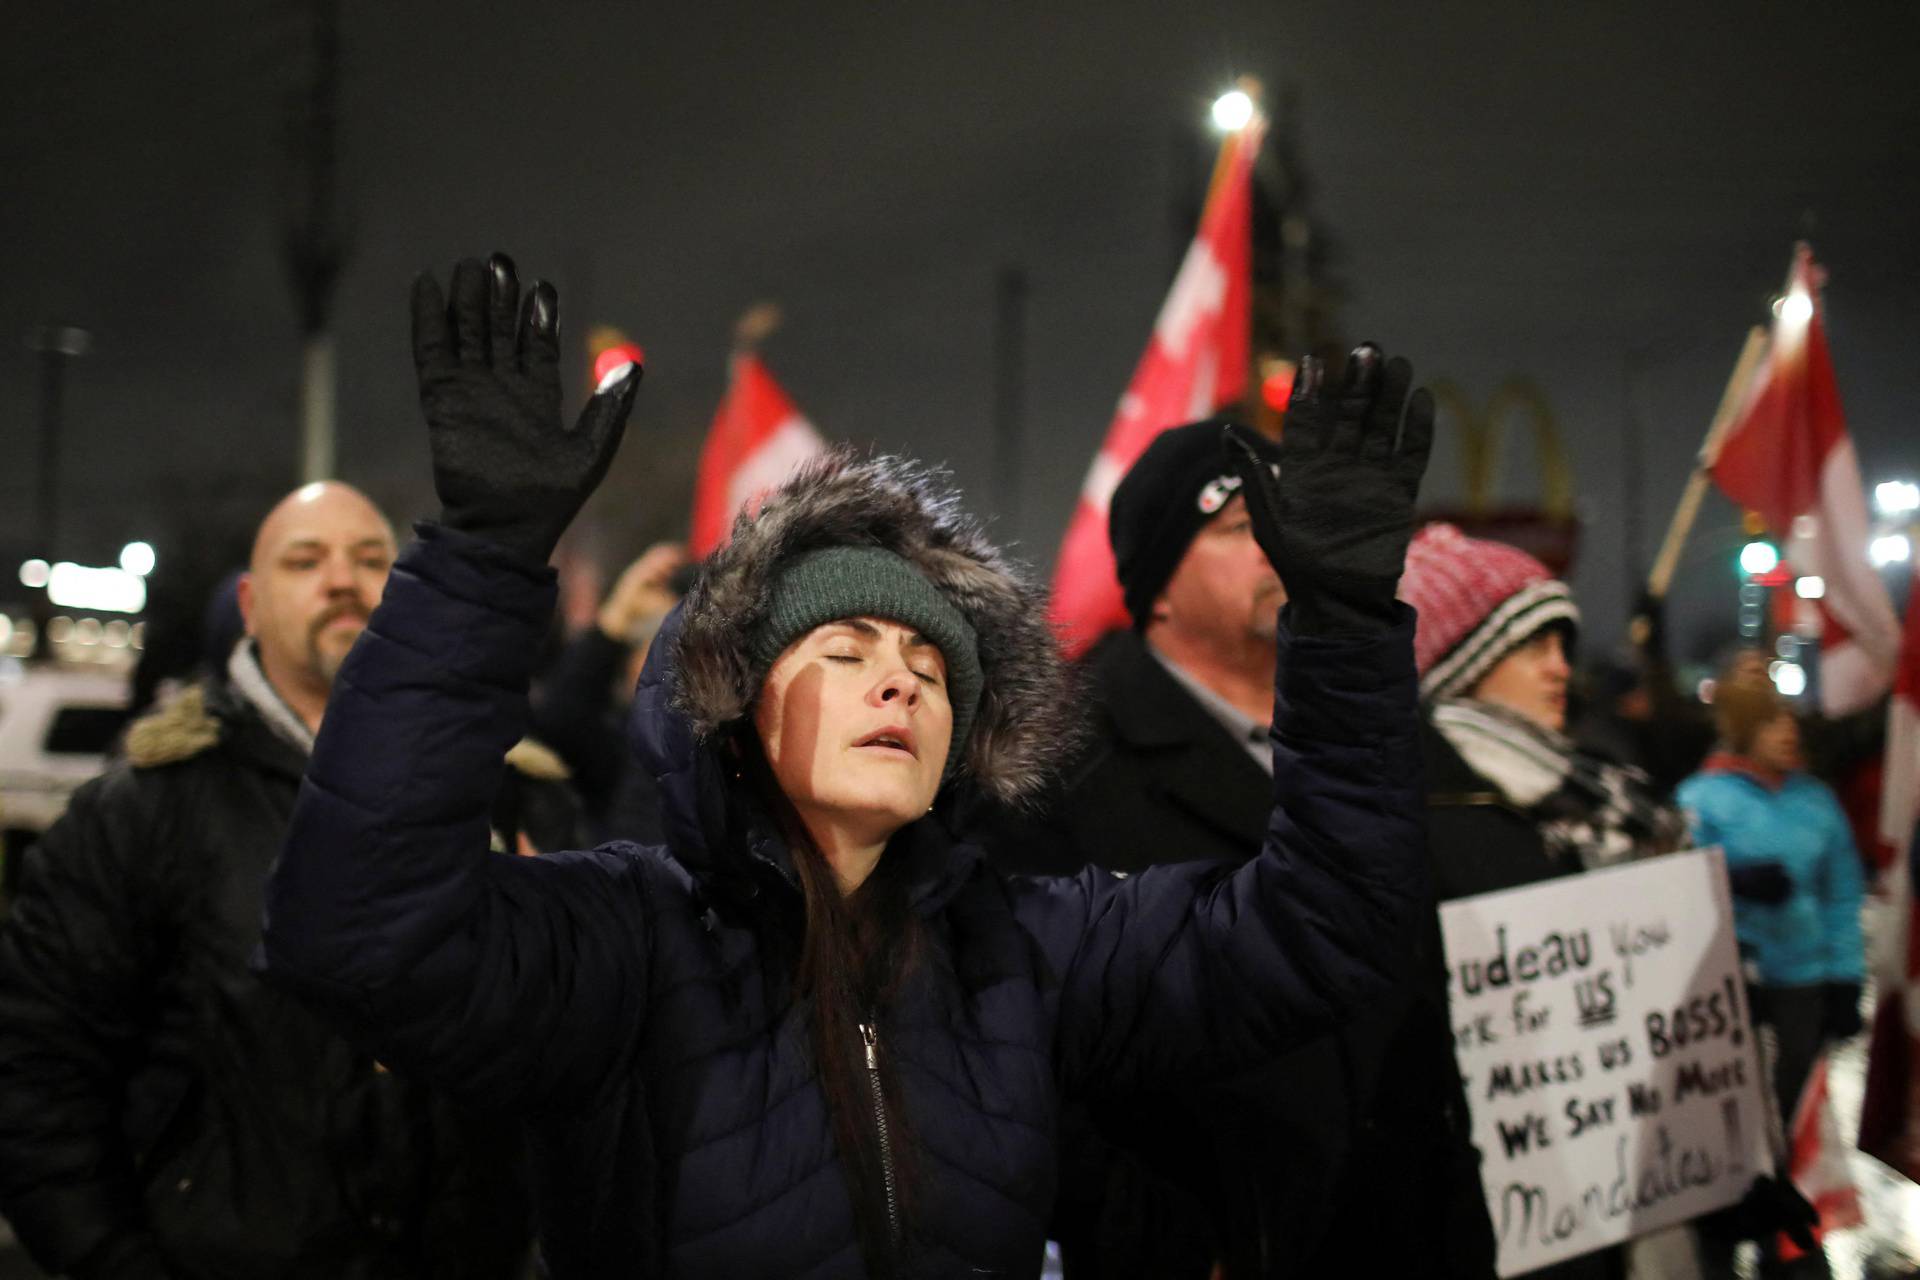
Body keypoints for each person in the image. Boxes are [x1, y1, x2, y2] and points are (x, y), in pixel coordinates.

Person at [257, 253, 1437, 1278]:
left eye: (934, 662)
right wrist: (482, 560)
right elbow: (356, 933)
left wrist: (1337, 623)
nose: (904, 680)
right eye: (847, 644)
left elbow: (1328, 925)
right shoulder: (627, 939)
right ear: (736, 696)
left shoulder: (1024, 948)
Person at [977, 421, 1494, 1277]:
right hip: (1228, 1237)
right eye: (1237, 528)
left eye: (1282, 522)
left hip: (1415, 1221)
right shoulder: (1057, 762)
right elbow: (1020, 1040)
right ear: (1157, 586)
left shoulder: (1388, 728)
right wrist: (1152, 1240)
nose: (1276, 548)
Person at [0, 482, 530, 1280]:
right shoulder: (146, 809)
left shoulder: (504, 787)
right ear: (249, 604)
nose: (343, 580)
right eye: (305, 560)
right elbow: (38, 1070)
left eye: (372, 559)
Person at [1397, 523, 1689, 1280]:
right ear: (1461, 662)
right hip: (1490, 1211)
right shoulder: (1415, 813)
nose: (1560, 669)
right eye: (1529, 646)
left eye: (1562, 645)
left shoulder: (1595, 788)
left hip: (1617, 1184)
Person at [1677, 667, 1866, 1141]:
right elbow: (1673, 889)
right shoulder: (1701, 798)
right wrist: (1728, 881)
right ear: (1744, 731)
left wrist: (1845, 975)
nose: (1788, 732)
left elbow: (1841, 893)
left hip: (1805, 977)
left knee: (1794, 1092)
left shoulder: (1815, 800)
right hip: (1735, 978)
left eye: (1789, 721)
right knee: (1733, 1093)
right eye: (1771, 723)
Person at [528, 540, 687, 843]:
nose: (664, 665)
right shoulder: (623, 742)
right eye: (655, 646)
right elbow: (558, 722)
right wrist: (613, 623)